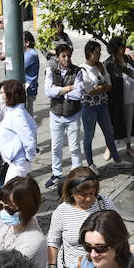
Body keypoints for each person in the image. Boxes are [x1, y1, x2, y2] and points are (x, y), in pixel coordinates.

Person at [46, 167, 115, 268]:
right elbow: (53, 242)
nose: (89, 199)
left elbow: (118, 233)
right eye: (83, 195)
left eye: (92, 193)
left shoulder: (104, 204)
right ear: (71, 192)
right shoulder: (62, 212)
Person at [43, 43, 86, 189]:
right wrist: (69, 88)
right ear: (57, 57)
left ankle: (77, 174)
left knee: (74, 147)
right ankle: (56, 174)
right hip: (56, 114)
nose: (66, 59)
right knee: (56, 147)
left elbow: (78, 94)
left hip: (73, 114)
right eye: (63, 56)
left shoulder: (77, 71)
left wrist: (59, 91)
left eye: (68, 56)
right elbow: (48, 92)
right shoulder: (51, 70)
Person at [77, 41, 119, 168]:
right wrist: (102, 87)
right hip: (89, 107)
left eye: (100, 51)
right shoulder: (83, 69)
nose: (99, 54)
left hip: (102, 105)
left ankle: (117, 159)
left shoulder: (101, 66)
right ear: (90, 53)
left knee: (109, 133)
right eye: (97, 52)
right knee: (89, 136)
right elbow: (89, 91)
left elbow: (110, 85)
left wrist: (100, 87)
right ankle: (90, 164)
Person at [0, 79, 37, 181]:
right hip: (14, 161)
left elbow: (28, 139)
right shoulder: (12, 111)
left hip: (18, 162)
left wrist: (29, 157)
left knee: (10, 193)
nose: (0, 95)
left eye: (2, 93)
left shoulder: (17, 114)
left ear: (10, 95)